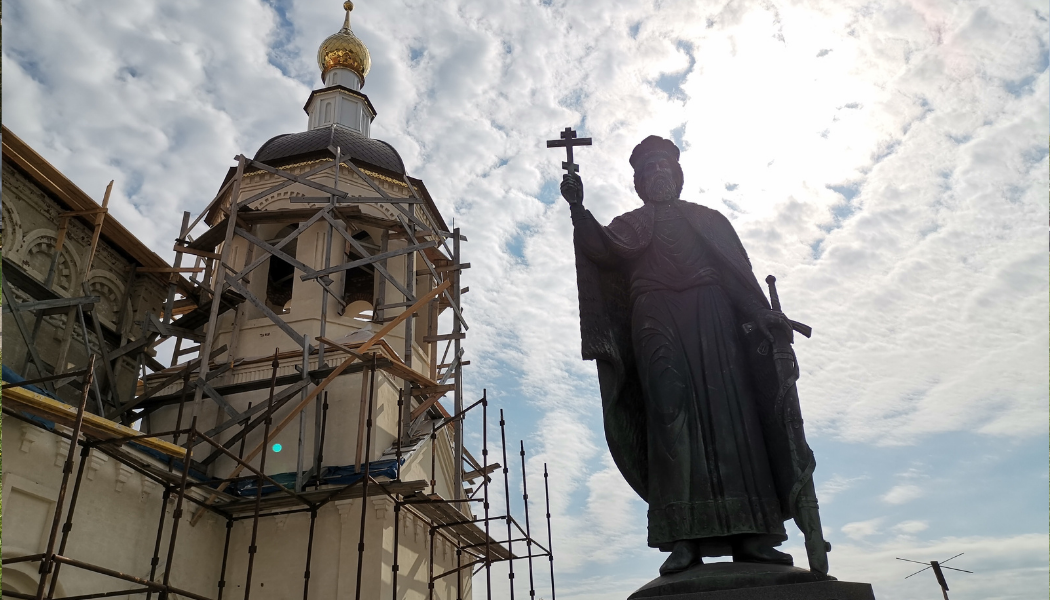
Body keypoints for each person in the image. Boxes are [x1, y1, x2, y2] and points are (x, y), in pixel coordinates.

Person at [564, 135, 802, 575]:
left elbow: (738, 279)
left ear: (677, 176)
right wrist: (578, 209)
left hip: (712, 318)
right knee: (670, 418)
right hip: (655, 318)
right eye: (648, 171)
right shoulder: (630, 223)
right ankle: (684, 537)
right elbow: (600, 249)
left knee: (733, 418)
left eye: (664, 169)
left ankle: (753, 534)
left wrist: (763, 314)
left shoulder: (708, 220)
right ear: (638, 183)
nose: (658, 176)